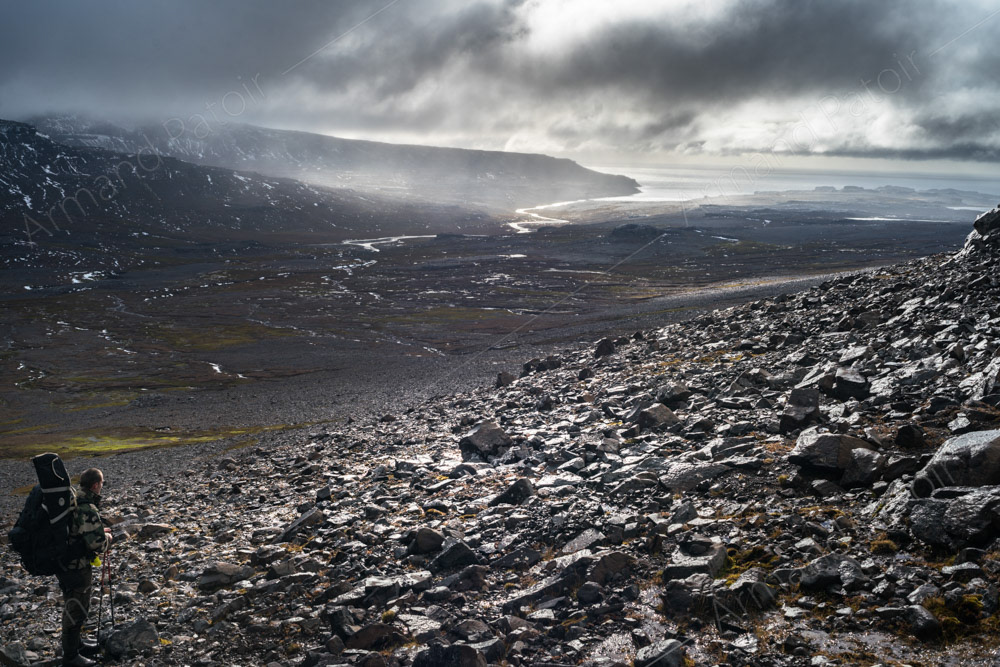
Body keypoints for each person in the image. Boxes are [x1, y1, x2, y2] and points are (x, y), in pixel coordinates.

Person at [56, 468, 112, 667]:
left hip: (64, 564)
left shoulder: (74, 498)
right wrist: (107, 537)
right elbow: (97, 544)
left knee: (73, 604)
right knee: (77, 608)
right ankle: (70, 657)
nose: (102, 487)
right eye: (102, 483)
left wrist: (97, 530)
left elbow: (80, 530)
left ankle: (77, 645)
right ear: (95, 485)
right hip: (76, 567)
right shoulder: (87, 506)